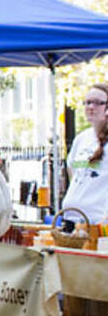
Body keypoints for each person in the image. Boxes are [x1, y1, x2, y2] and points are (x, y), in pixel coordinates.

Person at [62, 83, 108, 224]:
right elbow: (72, 169)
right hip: (71, 219)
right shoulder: (82, 138)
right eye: (87, 102)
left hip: (97, 224)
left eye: (97, 103)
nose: (90, 107)